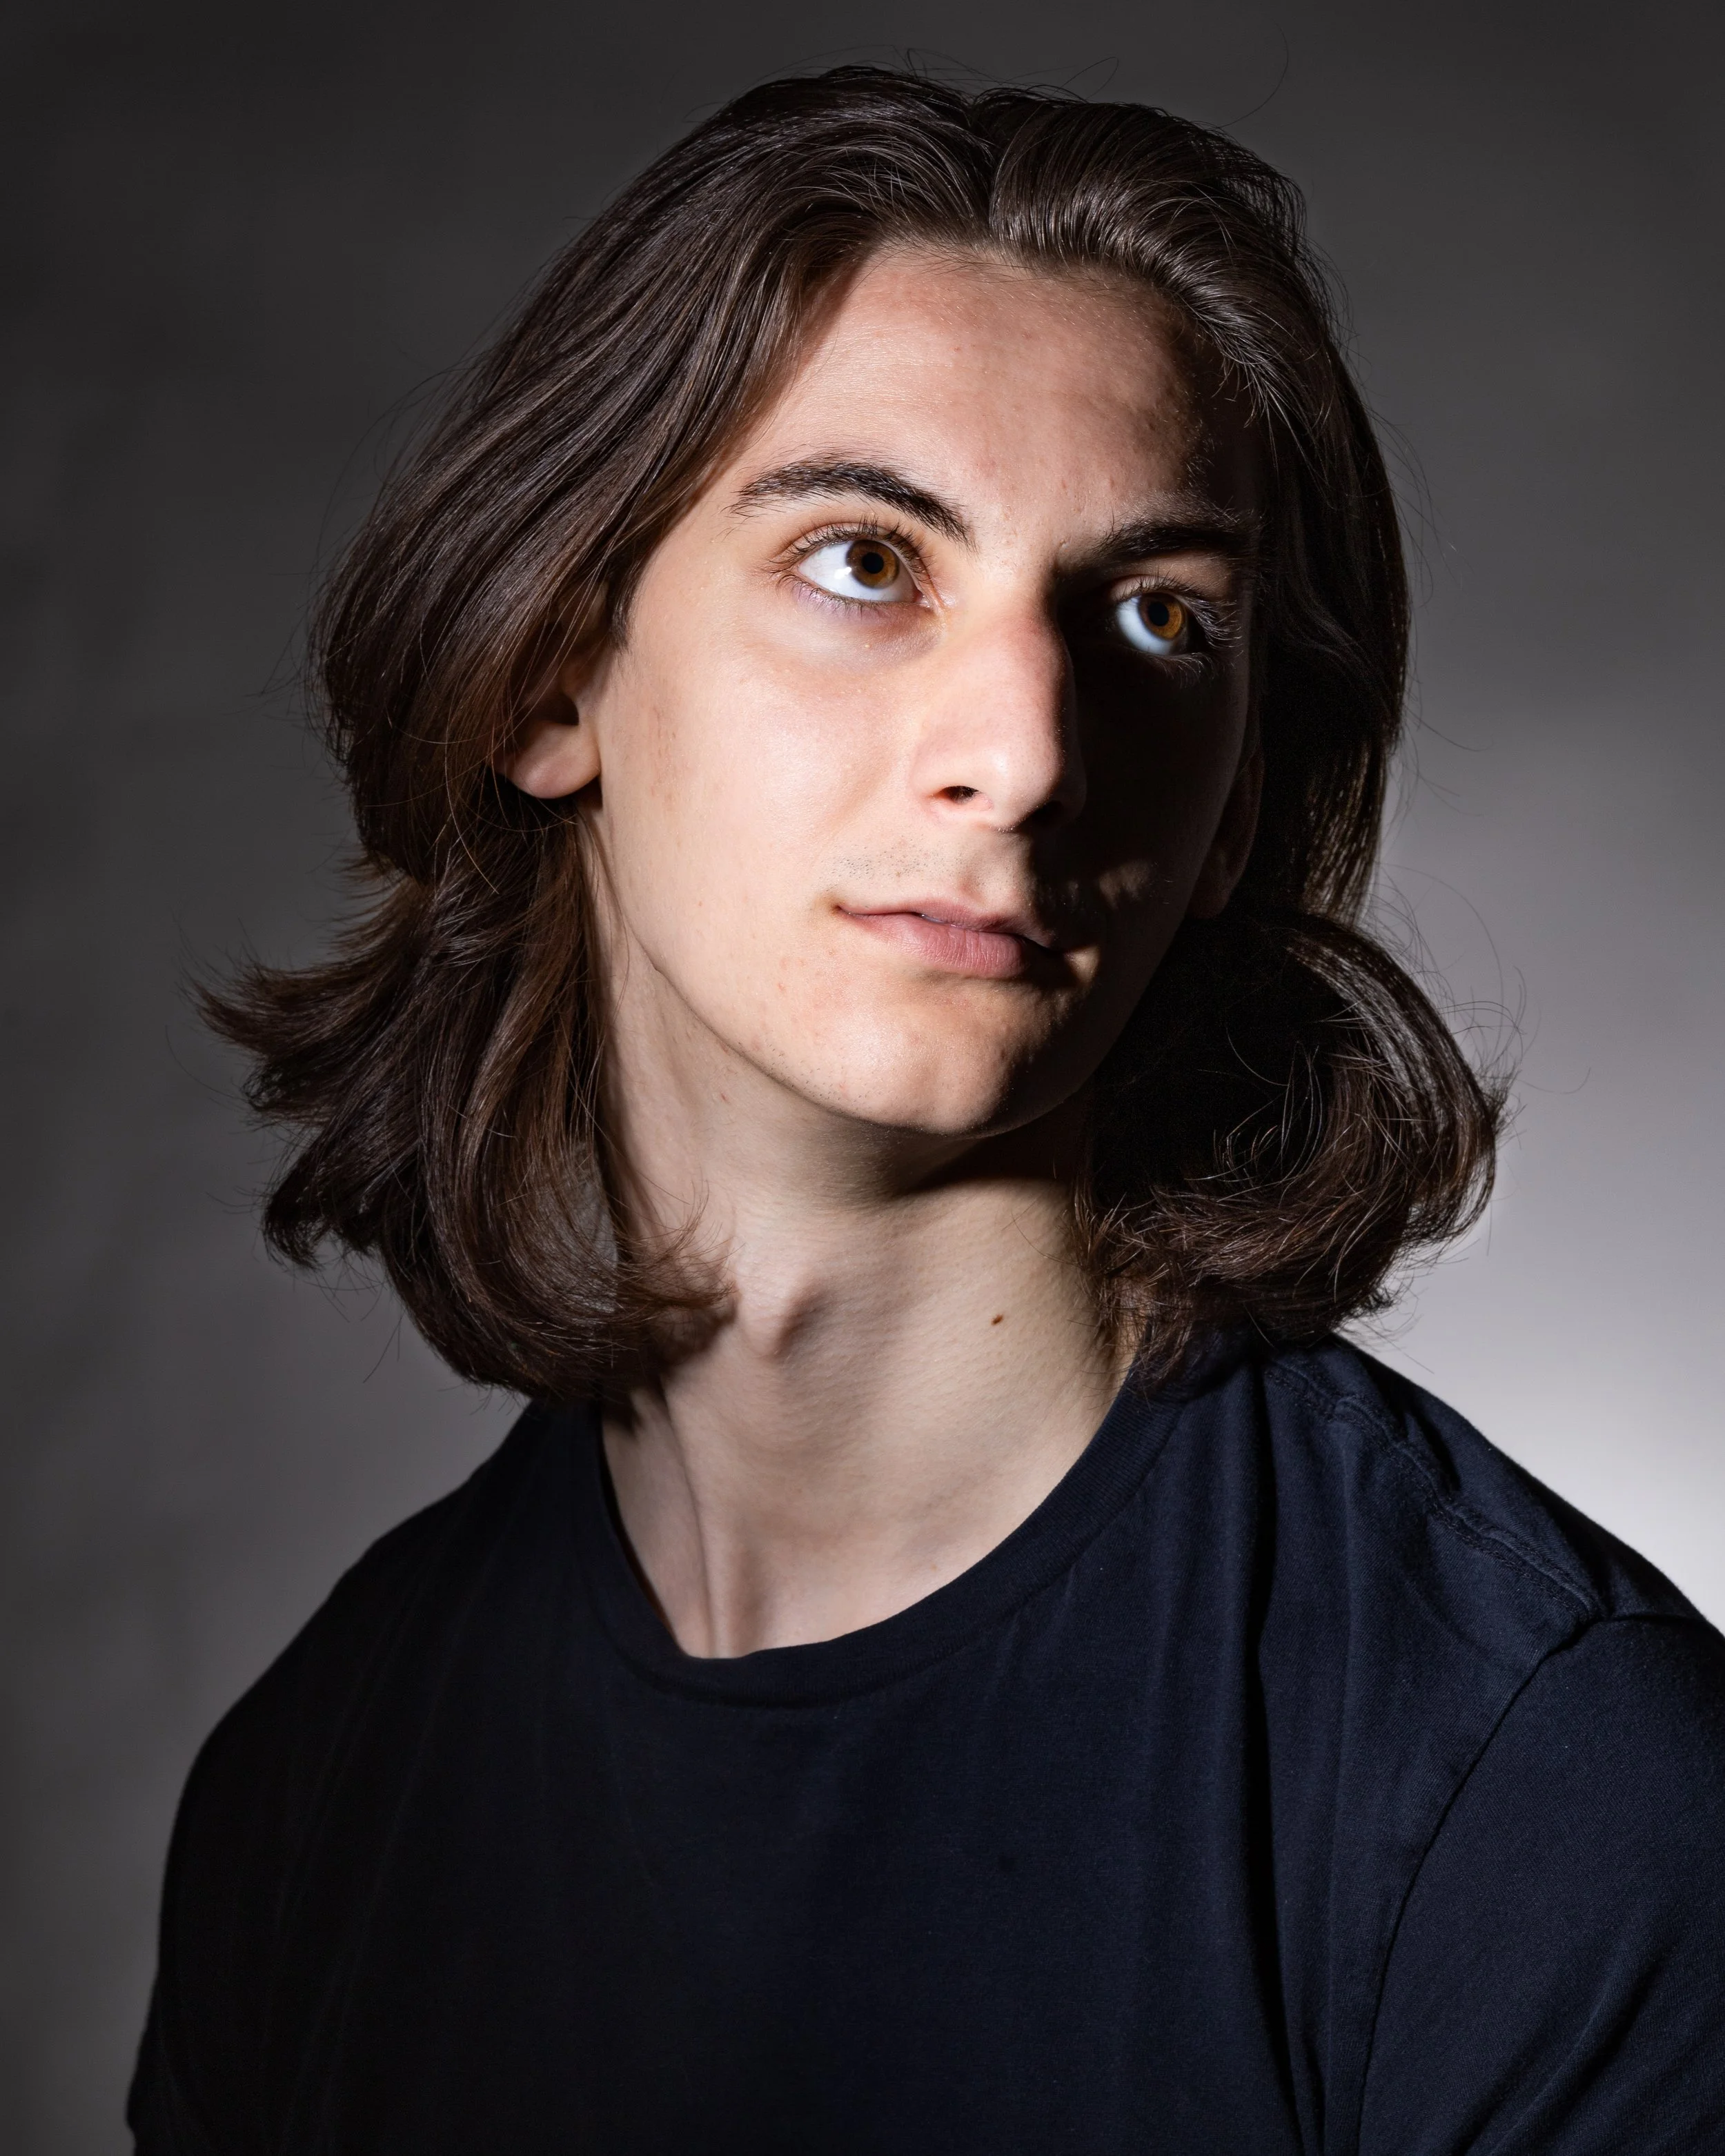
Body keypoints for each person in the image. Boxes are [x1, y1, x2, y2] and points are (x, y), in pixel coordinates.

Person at [129, 66, 1725, 2155]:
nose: (1027, 749)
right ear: (547, 671)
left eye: (1160, 617)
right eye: (865, 562)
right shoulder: (313, 1795)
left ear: (1236, 805)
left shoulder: (1543, 1787)